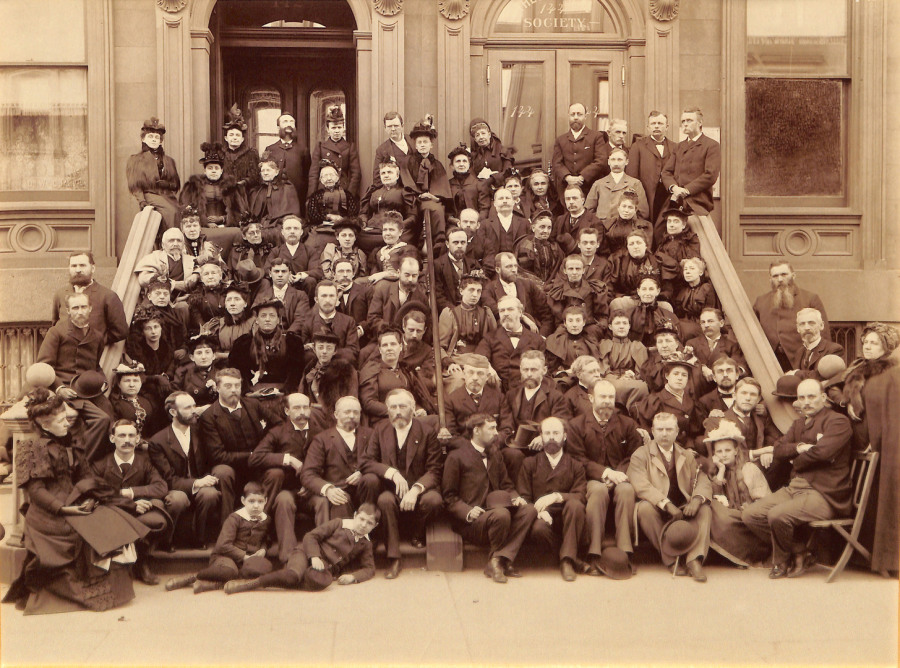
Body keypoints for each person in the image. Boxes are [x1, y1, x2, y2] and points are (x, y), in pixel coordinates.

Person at [3, 389, 147, 614]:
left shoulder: (70, 444)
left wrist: (91, 497)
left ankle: (125, 578)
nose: (67, 424)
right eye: (61, 421)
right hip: (48, 512)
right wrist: (64, 509)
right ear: (44, 425)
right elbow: (36, 491)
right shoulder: (33, 448)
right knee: (82, 533)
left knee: (112, 519)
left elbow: (85, 476)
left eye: (66, 419)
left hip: (76, 501)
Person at [741, 379, 853, 579]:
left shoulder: (838, 422)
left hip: (825, 494)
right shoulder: (799, 424)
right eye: (802, 397)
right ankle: (799, 551)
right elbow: (778, 449)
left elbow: (823, 453)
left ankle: (781, 562)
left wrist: (796, 461)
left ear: (823, 397)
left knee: (777, 515)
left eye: (811, 396)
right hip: (795, 488)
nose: (806, 402)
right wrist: (799, 448)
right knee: (751, 514)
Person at [831, 323, 900, 574]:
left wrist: (876, 440)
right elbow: (832, 386)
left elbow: (890, 414)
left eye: (874, 343)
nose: (868, 347)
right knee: (859, 497)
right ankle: (859, 557)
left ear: (886, 347)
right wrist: (845, 401)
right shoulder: (857, 368)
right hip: (855, 444)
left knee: (877, 498)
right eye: (866, 342)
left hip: (880, 446)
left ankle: (882, 559)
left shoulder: (892, 374)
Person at [442, 413, 537, 583]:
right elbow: (449, 496)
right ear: (476, 431)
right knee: (501, 515)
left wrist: (515, 498)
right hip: (472, 521)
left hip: (498, 513)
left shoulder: (495, 454)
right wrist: (468, 511)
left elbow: (507, 485)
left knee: (529, 510)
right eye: (491, 428)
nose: (496, 433)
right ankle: (503, 561)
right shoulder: (456, 457)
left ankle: (498, 560)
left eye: (496, 428)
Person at [361, 389, 443, 579]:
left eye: (403, 406)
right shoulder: (380, 430)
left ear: (413, 408)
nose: (398, 411)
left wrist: (416, 490)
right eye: (393, 407)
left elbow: (435, 470)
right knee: (384, 500)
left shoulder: (427, 432)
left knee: (434, 500)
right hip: (392, 490)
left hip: (419, 490)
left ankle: (417, 533)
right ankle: (394, 557)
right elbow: (367, 462)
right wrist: (391, 473)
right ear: (387, 409)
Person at [567, 380, 642, 574]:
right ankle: (594, 552)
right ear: (591, 398)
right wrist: (605, 473)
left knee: (626, 490)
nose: (607, 401)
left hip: (621, 476)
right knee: (598, 491)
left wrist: (618, 474)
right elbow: (577, 459)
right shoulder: (576, 425)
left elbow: (635, 455)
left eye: (611, 397)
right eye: (603, 397)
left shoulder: (627, 424)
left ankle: (625, 551)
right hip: (591, 478)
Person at [628, 411, 712, 582]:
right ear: (652, 431)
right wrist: (666, 504)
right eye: (660, 429)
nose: (664, 434)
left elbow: (701, 479)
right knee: (644, 509)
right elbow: (640, 484)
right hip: (656, 507)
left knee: (705, 509)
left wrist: (696, 499)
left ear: (677, 432)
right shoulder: (640, 454)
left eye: (669, 429)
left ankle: (694, 560)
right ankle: (669, 558)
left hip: (682, 506)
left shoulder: (686, 454)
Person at [90, 419, 176, 585]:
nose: (127, 440)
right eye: (122, 435)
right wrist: (126, 500)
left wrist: (132, 492)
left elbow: (161, 487)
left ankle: (141, 561)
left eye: (131, 436)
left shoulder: (144, 462)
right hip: (112, 511)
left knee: (157, 521)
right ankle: (116, 567)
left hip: (139, 513)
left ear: (138, 439)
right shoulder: (100, 465)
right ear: (112, 438)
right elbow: (94, 492)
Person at [223, 503, 379, 594]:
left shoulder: (366, 543)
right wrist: (314, 556)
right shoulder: (339, 523)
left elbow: (369, 568)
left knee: (322, 583)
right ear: (355, 515)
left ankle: (281, 578)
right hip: (305, 553)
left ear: (375, 526)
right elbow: (311, 536)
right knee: (293, 576)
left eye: (369, 523)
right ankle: (249, 584)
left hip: (322, 569)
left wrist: (353, 577)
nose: (363, 525)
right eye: (361, 519)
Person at [198, 368, 276, 524]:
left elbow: (278, 424)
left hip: (258, 464)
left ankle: (262, 524)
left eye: (237, 385)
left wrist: (265, 446)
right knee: (222, 472)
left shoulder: (253, 405)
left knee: (276, 473)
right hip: (231, 467)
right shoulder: (209, 416)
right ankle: (228, 527)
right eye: (228, 386)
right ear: (217, 388)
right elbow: (217, 455)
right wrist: (252, 455)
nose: (234, 390)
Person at [165, 481, 272, 594]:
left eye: (260, 501)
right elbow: (223, 545)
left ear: (266, 501)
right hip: (226, 556)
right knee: (230, 572)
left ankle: (209, 585)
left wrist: (263, 549)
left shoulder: (266, 519)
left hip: (248, 559)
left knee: (262, 569)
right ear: (243, 501)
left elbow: (265, 539)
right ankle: (193, 577)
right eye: (251, 501)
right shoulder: (235, 518)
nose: (256, 506)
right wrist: (244, 556)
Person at [517, 417, 588, 582]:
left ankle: (567, 562)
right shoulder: (529, 463)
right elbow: (525, 497)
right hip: (543, 518)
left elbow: (580, 495)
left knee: (575, 505)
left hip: (568, 519)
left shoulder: (575, 465)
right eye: (547, 433)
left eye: (556, 433)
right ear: (541, 436)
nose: (551, 437)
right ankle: (570, 557)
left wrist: (556, 496)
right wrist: (538, 513)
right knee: (538, 530)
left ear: (565, 436)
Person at [149, 391, 222, 549]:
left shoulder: (201, 432)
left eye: (194, 406)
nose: (194, 410)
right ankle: (167, 541)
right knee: (178, 499)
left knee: (210, 494)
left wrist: (207, 479)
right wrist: (197, 483)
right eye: (188, 408)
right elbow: (168, 479)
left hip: (201, 483)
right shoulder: (158, 441)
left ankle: (199, 539)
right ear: (173, 412)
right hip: (175, 488)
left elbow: (210, 460)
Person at [253, 392, 317, 562]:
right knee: (283, 500)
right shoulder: (277, 432)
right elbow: (255, 458)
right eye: (297, 408)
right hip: (287, 489)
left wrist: (312, 483)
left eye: (305, 407)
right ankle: (288, 558)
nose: (302, 412)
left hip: (312, 489)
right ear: (287, 411)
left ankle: (323, 554)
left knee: (324, 502)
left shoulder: (320, 431)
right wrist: (288, 459)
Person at [299, 396, 380, 525]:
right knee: (340, 501)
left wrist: (363, 472)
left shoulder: (371, 435)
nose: (352, 416)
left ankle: (369, 529)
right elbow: (308, 474)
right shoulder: (322, 439)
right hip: (338, 491)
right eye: (347, 412)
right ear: (336, 414)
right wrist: (328, 489)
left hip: (366, 493)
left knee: (371, 479)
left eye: (356, 412)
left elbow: (380, 462)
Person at [705, 419, 772, 567]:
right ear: (714, 454)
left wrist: (749, 508)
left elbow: (764, 502)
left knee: (724, 518)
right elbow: (717, 497)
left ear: (736, 451)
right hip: (730, 516)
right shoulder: (717, 472)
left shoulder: (749, 469)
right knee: (713, 509)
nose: (723, 455)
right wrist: (721, 471)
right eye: (719, 451)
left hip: (748, 519)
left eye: (727, 450)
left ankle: (748, 553)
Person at [753, 262, 830, 371]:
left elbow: (824, 334)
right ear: (770, 279)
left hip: (801, 361)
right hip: (770, 362)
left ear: (793, 275)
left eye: (784, 274)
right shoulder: (761, 301)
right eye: (775, 276)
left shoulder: (810, 298)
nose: (780, 279)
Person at [229, 298, 303, 396]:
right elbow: (237, 371)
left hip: (283, 393)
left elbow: (295, 373)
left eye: (272, 316)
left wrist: (284, 392)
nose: (267, 319)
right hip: (253, 393)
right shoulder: (243, 343)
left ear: (278, 320)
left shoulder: (292, 342)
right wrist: (248, 393)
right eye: (263, 316)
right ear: (257, 320)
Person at [52, 252, 128, 346]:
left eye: (82, 265)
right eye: (74, 266)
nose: (78, 270)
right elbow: (55, 325)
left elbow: (121, 331)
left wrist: (95, 342)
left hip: (94, 353)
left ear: (92, 268)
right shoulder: (60, 294)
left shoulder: (108, 296)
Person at [398, 114, 450, 251]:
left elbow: (442, 186)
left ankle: (439, 241)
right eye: (419, 142)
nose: (422, 145)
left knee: (436, 208)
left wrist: (433, 196)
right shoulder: (408, 161)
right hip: (413, 199)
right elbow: (406, 181)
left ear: (431, 145)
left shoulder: (437, 164)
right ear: (415, 145)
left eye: (425, 142)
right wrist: (418, 194)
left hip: (431, 198)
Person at [476, 295, 545, 392]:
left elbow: (544, 370)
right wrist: (488, 368)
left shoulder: (537, 340)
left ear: (520, 312)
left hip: (527, 390)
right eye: (502, 310)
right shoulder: (490, 338)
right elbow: (479, 357)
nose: (506, 313)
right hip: (499, 391)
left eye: (510, 309)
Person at [661, 107, 721, 217]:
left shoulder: (711, 145)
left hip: (697, 202)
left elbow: (710, 175)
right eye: (683, 121)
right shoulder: (678, 147)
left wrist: (687, 190)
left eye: (689, 120)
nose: (685, 124)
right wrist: (674, 188)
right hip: (675, 201)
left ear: (700, 123)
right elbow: (666, 172)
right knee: (659, 226)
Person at [126, 117, 181, 230]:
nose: (154, 140)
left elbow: (175, 184)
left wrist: (167, 184)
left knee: (179, 212)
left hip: (167, 196)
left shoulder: (169, 161)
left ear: (161, 141)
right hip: (149, 195)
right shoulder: (136, 160)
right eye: (150, 136)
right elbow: (135, 186)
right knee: (171, 212)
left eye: (157, 137)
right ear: (143, 139)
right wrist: (142, 201)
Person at [37, 293, 105, 386]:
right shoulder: (56, 332)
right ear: (68, 311)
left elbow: (96, 366)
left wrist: (103, 381)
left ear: (90, 308)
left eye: (84, 307)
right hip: (64, 384)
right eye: (75, 308)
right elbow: (44, 367)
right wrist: (59, 388)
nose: (80, 312)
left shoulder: (98, 336)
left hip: (88, 387)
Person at [481, 253, 553, 336]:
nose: (514, 270)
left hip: (531, 335)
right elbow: (496, 312)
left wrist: (542, 336)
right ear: (498, 269)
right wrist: (523, 317)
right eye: (508, 266)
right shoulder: (489, 289)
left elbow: (546, 314)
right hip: (504, 336)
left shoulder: (528, 285)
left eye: (515, 266)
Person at [178, 142, 245, 230]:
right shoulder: (193, 187)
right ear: (205, 170)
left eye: (216, 168)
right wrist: (205, 222)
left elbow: (238, 212)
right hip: (201, 227)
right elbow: (187, 211)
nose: (213, 171)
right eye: (210, 168)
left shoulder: (231, 188)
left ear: (221, 171)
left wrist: (222, 219)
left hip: (226, 227)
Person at [626, 110, 674, 234]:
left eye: (660, 123)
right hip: (647, 194)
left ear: (667, 127)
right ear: (648, 127)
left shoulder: (675, 147)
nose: (656, 126)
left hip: (668, 194)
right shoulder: (638, 146)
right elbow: (632, 176)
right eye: (653, 123)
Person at [359, 330, 420, 426]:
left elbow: (414, 398)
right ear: (380, 350)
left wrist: (419, 409)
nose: (389, 348)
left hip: (408, 419)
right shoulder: (372, 370)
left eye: (393, 344)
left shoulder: (406, 371)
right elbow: (368, 402)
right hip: (383, 420)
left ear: (400, 347)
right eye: (385, 345)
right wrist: (396, 411)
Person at [551, 102, 609, 197]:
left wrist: (582, 177)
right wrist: (567, 177)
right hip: (567, 189)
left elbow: (601, 160)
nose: (576, 117)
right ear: (568, 116)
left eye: (579, 114)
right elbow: (557, 163)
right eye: (572, 114)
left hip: (591, 188)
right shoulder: (560, 140)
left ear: (585, 116)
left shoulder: (596, 136)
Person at [596, 311, 650, 412]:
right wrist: (619, 378)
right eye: (617, 323)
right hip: (610, 380)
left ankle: (633, 412)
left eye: (625, 323)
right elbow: (603, 370)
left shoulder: (637, 346)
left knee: (642, 386)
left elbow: (642, 371)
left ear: (629, 326)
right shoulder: (604, 344)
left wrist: (633, 376)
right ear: (610, 327)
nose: (621, 326)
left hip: (631, 381)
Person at [359, 159, 417, 251]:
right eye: (383, 173)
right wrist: (364, 223)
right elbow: (364, 213)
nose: (386, 175)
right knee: (358, 236)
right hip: (374, 230)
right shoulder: (373, 192)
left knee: (402, 238)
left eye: (389, 172)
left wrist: (400, 226)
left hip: (395, 229)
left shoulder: (404, 192)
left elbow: (412, 216)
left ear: (397, 175)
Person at [305, 160, 360, 256]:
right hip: (321, 228)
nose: (329, 178)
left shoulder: (347, 195)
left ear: (337, 177)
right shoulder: (316, 196)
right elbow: (313, 215)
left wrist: (342, 220)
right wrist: (328, 216)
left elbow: (353, 213)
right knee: (311, 245)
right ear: (321, 180)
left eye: (331, 175)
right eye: (325, 176)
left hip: (342, 227)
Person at [301, 280, 360, 366]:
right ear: (316, 299)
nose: (328, 300)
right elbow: (306, 353)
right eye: (324, 296)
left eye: (331, 296)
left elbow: (352, 352)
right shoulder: (308, 323)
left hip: (341, 368)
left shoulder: (348, 321)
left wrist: (327, 354)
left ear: (337, 298)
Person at [438, 274, 497, 358]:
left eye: (479, 291)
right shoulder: (450, 313)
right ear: (461, 291)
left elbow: (494, 342)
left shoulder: (486, 314)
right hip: (457, 358)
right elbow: (440, 346)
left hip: (481, 358)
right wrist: (447, 361)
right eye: (471, 290)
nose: (475, 294)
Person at [308, 105, 361, 198]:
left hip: (343, 191)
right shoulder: (321, 147)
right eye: (333, 128)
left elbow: (356, 174)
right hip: (323, 191)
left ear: (343, 128)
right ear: (328, 129)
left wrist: (349, 195)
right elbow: (314, 174)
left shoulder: (349, 147)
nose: (337, 131)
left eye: (339, 127)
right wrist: (311, 196)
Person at [585, 147, 649, 224]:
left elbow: (643, 213)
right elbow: (588, 210)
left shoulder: (635, 183)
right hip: (603, 227)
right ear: (608, 162)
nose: (616, 163)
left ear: (626, 162)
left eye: (620, 160)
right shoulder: (599, 184)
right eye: (613, 159)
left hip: (627, 226)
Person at [545, 255, 609, 331]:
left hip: (589, 328)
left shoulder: (595, 288)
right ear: (565, 271)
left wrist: (598, 328)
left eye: (578, 269)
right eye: (571, 269)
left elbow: (602, 316)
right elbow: (556, 320)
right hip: (567, 330)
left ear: (583, 270)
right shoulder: (558, 292)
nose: (574, 272)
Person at [368, 255, 428, 334]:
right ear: (399, 273)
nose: (410, 279)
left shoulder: (422, 298)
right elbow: (373, 318)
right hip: (385, 336)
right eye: (407, 275)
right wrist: (388, 330)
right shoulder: (383, 290)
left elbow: (426, 323)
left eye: (414, 276)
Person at [248, 152, 301, 241]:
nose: (265, 173)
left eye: (268, 170)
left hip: (280, 226)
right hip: (261, 226)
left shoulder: (287, 188)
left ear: (276, 172)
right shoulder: (257, 191)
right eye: (263, 171)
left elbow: (292, 215)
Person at [685, 308, 744, 383]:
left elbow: (736, 368)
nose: (706, 325)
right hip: (698, 386)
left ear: (721, 323)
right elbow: (687, 366)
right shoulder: (692, 344)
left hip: (722, 385)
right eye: (703, 322)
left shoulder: (732, 346)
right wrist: (702, 368)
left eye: (710, 321)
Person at [265, 113, 312, 206]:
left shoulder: (303, 150)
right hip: (275, 198)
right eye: (285, 121)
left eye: (291, 122)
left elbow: (307, 175)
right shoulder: (270, 149)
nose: (289, 124)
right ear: (278, 127)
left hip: (297, 198)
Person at [134, 227, 199, 294]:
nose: (176, 244)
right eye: (171, 241)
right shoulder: (154, 257)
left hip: (185, 297)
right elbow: (143, 279)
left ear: (183, 245)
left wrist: (196, 274)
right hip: (160, 296)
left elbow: (200, 269)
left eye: (179, 241)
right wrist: (173, 284)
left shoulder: (191, 260)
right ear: (163, 245)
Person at [433, 227, 479, 313]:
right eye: (455, 242)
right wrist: (457, 313)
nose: (459, 246)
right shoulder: (437, 265)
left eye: (463, 242)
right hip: (449, 313)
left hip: (471, 312)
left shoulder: (474, 264)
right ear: (447, 244)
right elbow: (438, 296)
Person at [788, 308, 843, 378]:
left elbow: (822, 376)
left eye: (811, 323)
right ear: (798, 328)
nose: (806, 328)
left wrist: (796, 373)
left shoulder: (834, 349)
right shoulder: (799, 352)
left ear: (821, 325)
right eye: (802, 324)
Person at [514, 210, 566, 285]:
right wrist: (538, 284)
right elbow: (523, 272)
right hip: (529, 285)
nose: (546, 231)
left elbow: (560, 269)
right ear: (533, 228)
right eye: (542, 227)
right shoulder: (525, 246)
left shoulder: (554, 246)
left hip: (551, 286)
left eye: (549, 228)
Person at [673, 258, 719, 340]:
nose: (687, 272)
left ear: (700, 272)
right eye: (685, 269)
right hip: (683, 323)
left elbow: (709, 311)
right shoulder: (682, 290)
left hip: (701, 324)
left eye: (692, 268)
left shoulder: (706, 288)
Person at [551, 185, 602, 256]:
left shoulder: (595, 222)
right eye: (568, 199)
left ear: (583, 200)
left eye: (574, 198)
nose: (571, 202)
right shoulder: (560, 220)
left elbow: (597, 250)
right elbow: (552, 242)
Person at [221, 104, 261, 193]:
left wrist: (243, 182)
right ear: (226, 138)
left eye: (237, 135)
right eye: (231, 135)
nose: (234, 138)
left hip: (246, 194)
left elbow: (255, 176)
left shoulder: (251, 154)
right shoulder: (221, 154)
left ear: (242, 139)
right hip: (225, 193)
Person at [468, 117, 515, 193]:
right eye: (477, 135)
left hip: (502, 191)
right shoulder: (473, 156)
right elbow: (472, 177)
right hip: (482, 193)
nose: (481, 137)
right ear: (475, 139)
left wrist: (492, 179)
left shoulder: (503, 151)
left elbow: (508, 172)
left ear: (489, 134)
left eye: (483, 133)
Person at [602, 190, 654, 255]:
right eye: (624, 206)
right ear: (618, 208)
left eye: (630, 207)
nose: (626, 210)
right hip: (611, 259)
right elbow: (603, 249)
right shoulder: (608, 225)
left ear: (635, 210)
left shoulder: (644, 227)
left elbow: (646, 249)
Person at [447, 143, 491, 219]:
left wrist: (476, 222)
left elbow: (484, 209)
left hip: (475, 222)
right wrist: (454, 221)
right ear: (452, 166)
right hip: (454, 223)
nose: (461, 164)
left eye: (464, 161)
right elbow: (446, 211)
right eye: (458, 161)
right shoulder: (448, 185)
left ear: (469, 165)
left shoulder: (479, 184)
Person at [482, 187, 529, 254]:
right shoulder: (485, 225)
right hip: (494, 260)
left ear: (513, 202)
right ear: (494, 203)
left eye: (507, 198)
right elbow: (480, 251)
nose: (504, 201)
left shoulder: (525, 223)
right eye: (501, 198)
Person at [373, 112, 412, 186]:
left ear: (402, 126)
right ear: (385, 128)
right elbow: (377, 179)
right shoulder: (381, 150)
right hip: (397, 190)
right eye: (389, 126)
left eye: (396, 126)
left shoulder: (413, 141)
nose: (393, 129)